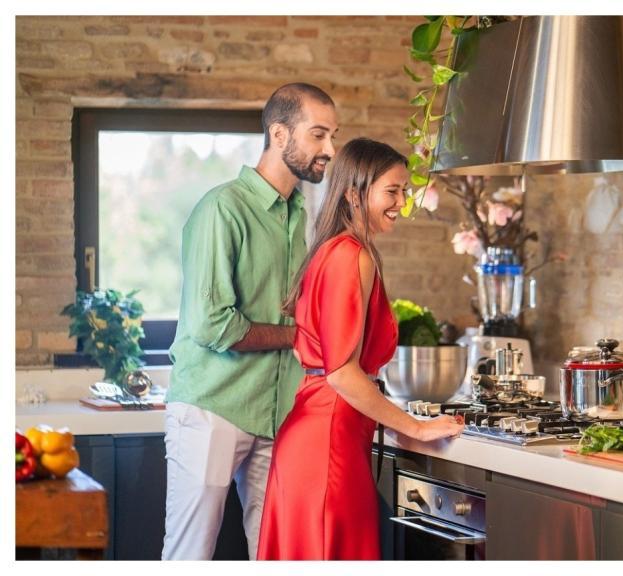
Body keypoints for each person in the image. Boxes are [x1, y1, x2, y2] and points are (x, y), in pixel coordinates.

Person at [256, 138, 464, 560]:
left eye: (404, 191)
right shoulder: (352, 257)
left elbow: (311, 355)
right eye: (392, 191)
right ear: (354, 193)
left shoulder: (330, 252)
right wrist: (418, 427)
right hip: (328, 442)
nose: (401, 203)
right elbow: (342, 372)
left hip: (321, 435)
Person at [162, 83, 339, 560]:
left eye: (333, 137)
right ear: (279, 134)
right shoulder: (223, 209)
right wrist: (299, 336)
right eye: (318, 135)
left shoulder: (300, 213)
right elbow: (213, 325)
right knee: (189, 557)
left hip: (277, 413)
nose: (330, 150)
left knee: (276, 555)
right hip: (211, 410)